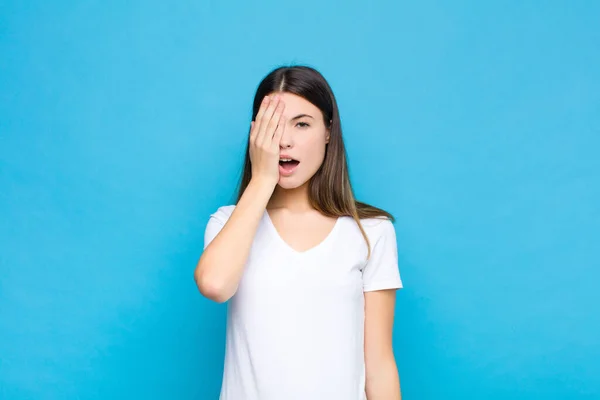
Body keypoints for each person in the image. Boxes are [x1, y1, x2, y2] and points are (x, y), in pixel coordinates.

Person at [194, 65, 403, 400]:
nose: (285, 141)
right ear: (256, 135)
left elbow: (379, 365)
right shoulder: (228, 223)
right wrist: (263, 179)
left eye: (302, 124)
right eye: (273, 127)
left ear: (328, 132)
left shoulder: (371, 232)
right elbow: (215, 285)